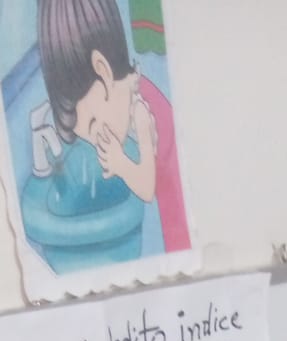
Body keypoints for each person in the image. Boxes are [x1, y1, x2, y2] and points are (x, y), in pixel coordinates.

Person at [38, 0, 191, 253]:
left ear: (104, 73)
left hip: (178, 231)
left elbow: (146, 188)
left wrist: (120, 163)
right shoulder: (127, 105)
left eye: (94, 124)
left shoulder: (142, 112)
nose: (96, 142)